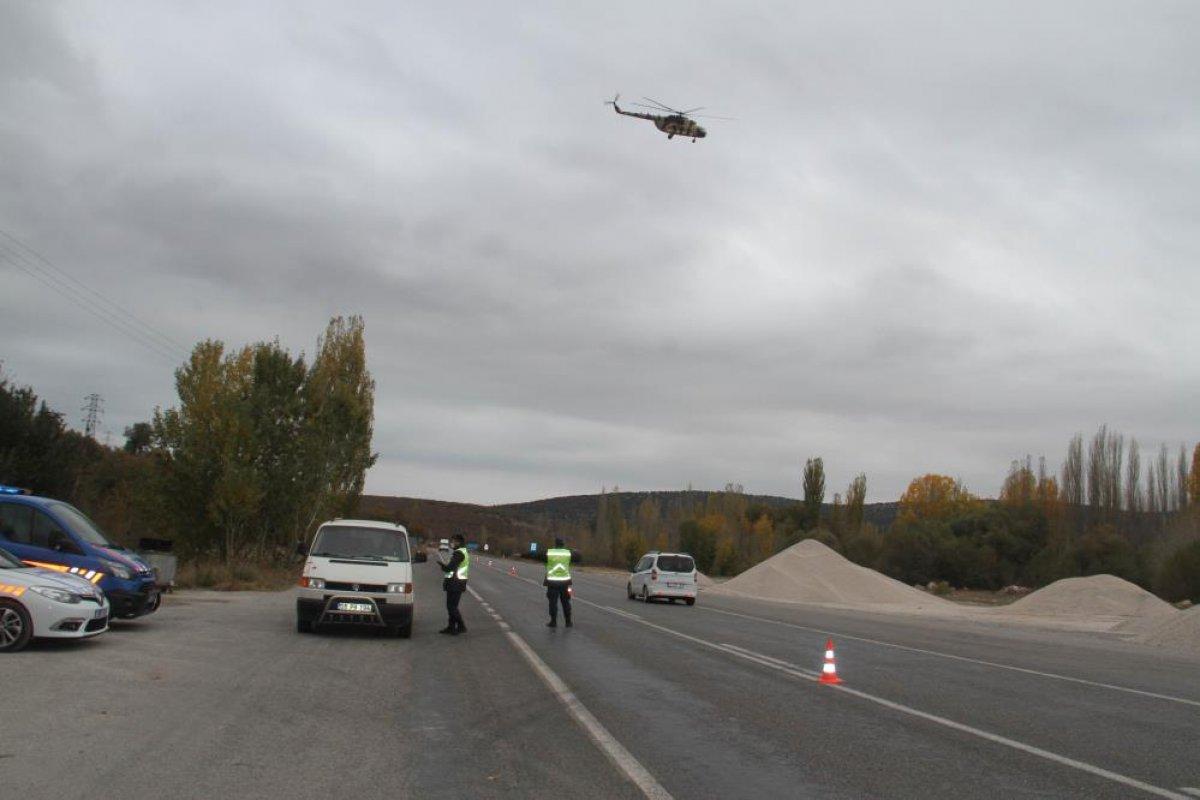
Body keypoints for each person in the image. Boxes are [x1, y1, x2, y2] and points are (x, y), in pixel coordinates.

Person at [542, 537, 581, 628]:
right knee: (566, 602)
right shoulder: (568, 553)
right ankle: (568, 622)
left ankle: (553, 622)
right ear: (563, 544)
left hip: (552, 582)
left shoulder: (549, 552)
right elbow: (578, 557)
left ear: (555, 544)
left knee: (553, 602)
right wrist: (574, 550)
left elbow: (541, 558)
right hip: (565, 582)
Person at [438, 533, 469, 635]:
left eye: (453, 541)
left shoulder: (459, 553)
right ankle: (451, 627)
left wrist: (442, 566)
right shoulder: (462, 551)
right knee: (452, 606)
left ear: (458, 542)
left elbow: (450, 567)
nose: (452, 543)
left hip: (455, 583)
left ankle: (461, 626)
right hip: (457, 582)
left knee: (451, 607)